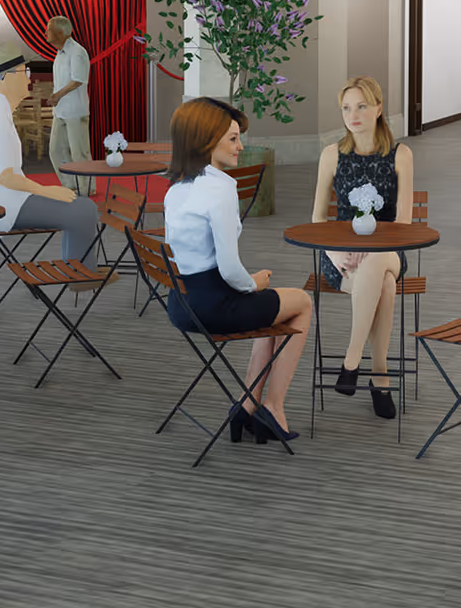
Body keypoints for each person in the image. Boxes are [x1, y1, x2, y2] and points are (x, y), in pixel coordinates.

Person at [163, 97, 313, 444]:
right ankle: (272, 407)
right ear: (206, 140)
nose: (240, 146)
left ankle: (246, 406)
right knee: (302, 303)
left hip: (182, 305)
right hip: (215, 307)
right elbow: (230, 269)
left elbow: (186, 257)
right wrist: (253, 283)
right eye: (232, 138)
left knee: (270, 305)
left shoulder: (175, 189)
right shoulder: (220, 191)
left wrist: (250, 285)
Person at [309, 76, 413, 419]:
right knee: (385, 285)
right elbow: (317, 220)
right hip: (342, 258)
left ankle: (351, 360)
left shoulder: (401, 155)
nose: (352, 115)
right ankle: (379, 377)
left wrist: (373, 248)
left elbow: (403, 224)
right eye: (346, 108)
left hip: (390, 251)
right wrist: (337, 253)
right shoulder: (331, 155)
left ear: (379, 109)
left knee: (379, 262)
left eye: (361, 106)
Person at [0, 43, 99, 266]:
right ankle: (83, 274)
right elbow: (4, 176)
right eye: (24, 72)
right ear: (7, 78)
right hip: (5, 208)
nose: (29, 78)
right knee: (85, 209)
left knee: (78, 205)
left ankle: (76, 268)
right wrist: (47, 190)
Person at [45, 16, 93, 198]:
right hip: (60, 111)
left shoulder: (77, 52)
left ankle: (86, 188)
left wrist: (58, 95)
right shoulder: (59, 54)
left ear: (60, 32)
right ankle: (70, 185)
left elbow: (78, 80)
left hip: (75, 111)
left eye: (49, 30)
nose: (46, 33)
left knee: (79, 152)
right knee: (56, 150)